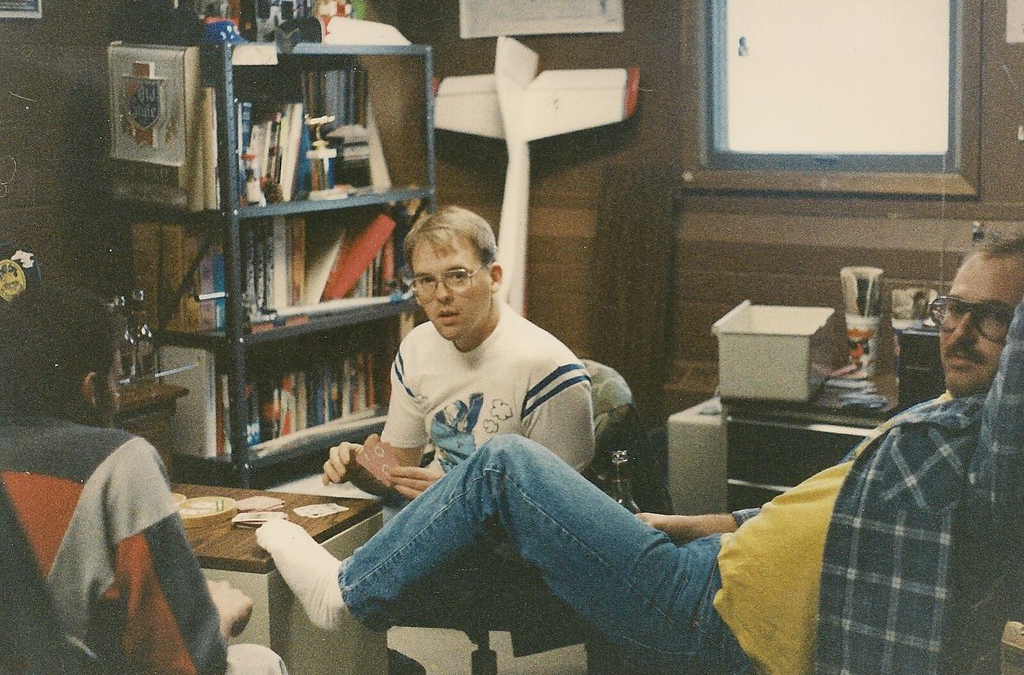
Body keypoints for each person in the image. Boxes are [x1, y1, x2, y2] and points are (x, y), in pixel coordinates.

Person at [258, 232, 1024, 675]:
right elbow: (827, 512)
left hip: (710, 616)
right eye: (954, 307)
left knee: (503, 467)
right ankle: (368, 586)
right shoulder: (943, 416)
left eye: (994, 320)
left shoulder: (990, 453)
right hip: (708, 562)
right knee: (513, 488)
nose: (959, 332)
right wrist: (700, 522)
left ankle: (348, 595)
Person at [0, 286, 288, 675]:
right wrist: (215, 617)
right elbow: (186, 662)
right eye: (116, 383)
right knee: (262, 663)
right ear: (91, 390)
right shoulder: (120, 463)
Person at [321, 205, 594, 500]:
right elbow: (399, 469)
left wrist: (458, 497)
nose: (442, 295)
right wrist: (362, 466)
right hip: (440, 517)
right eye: (426, 281)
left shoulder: (550, 369)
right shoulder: (417, 349)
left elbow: (561, 511)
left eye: (458, 276)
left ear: (495, 277)